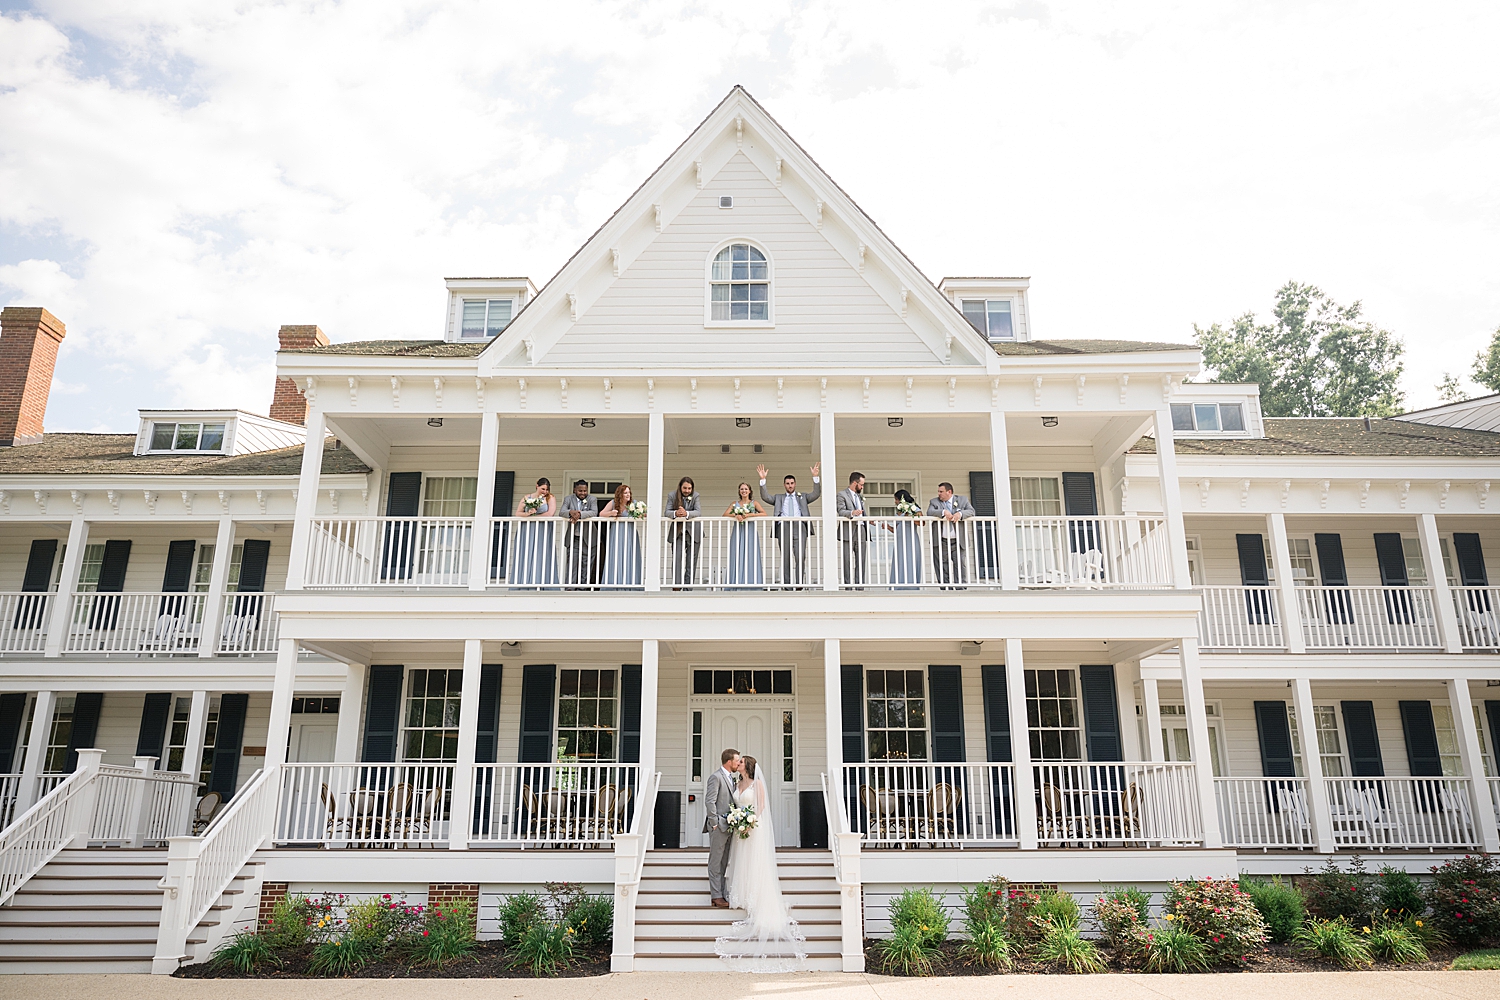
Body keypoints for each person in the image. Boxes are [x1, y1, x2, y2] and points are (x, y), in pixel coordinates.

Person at [715, 754, 807, 972]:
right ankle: (742, 894)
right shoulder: (738, 783)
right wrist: (738, 820)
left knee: (755, 862)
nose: (738, 764)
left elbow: (761, 806)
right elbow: (734, 803)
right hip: (741, 830)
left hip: (754, 829)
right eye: (737, 762)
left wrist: (749, 822)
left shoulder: (757, 784)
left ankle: (757, 896)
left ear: (747, 766)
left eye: (741, 762)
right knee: (742, 861)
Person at [758, 463, 820, 587]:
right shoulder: (779, 497)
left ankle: (799, 583)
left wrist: (815, 477)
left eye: (792, 483)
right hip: (783, 527)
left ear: (795, 484)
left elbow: (816, 494)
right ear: (784, 485)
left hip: (799, 526)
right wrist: (763, 480)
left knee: (800, 556)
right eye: (787, 483)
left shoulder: (802, 496)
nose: (790, 486)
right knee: (785, 556)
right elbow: (765, 497)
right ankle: (787, 585)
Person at [703, 748, 741, 908]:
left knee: (724, 861)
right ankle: (716, 896)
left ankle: (722, 894)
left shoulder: (732, 779)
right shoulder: (716, 777)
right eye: (737, 760)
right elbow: (709, 801)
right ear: (729, 761)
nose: (738, 763)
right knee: (715, 861)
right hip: (719, 826)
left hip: (729, 826)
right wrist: (714, 822)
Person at [927, 482, 975, 587]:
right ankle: (945, 588)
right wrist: (943, 512)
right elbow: (930, 512)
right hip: (941, 540)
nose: (939, 494)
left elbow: (971, 511)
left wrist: (960, 514)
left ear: (949, 492)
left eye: (941, 491)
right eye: (938, 491)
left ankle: (960, 587)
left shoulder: (962, 500)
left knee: (960, 564)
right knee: (942, 565)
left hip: (958, 540)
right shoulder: (934, 502)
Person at [511, 478, 558, 587]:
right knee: (526, 553)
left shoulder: (550, 498)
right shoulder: (527, 498)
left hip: (543, 529)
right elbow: (518, 513)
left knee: (541, 553)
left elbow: (550, 513)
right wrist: (528, 514)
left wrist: (535, 516)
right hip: (527, 529)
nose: (545, 491)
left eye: (547, 489)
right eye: (543, 489)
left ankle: (541, 583)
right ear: (537, 486)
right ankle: (524, 582)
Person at [724, 482, 767, 587]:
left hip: (750, 531)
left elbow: (764, 513)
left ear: (750, 491)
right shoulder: (735, 504)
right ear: (739, 491)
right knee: (736, 554)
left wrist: (749, 515)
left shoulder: (754, 503)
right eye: (742, 489)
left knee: (751, 555)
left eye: (746, 489)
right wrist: (736, 515)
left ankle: (751, 583)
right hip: (738, 531)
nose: (744, 491)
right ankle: (736, 582)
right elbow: (725, 514)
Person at [599, 484, 643, 587]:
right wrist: (611, 513)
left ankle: (630, 583)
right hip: (617, 532)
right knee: (616, 555)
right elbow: (601, 514)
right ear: (620, 494)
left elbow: (644, 514)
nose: (628, 495)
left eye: (629, 492)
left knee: (630, 555)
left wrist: (641, 513)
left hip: (630, 532)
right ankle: (615, 583)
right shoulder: (613, 503)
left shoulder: (634, 503)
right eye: (625, 493)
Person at [559, 479, 599, 587]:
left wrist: (579, 514)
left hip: (589, 537)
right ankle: (570, 587)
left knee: (586, 563)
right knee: (572, 562)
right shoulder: (568, 499)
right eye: (580, 491)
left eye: (585, 491)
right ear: (575, 490)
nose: (583, 493)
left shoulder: (592, 499)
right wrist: (570, 512)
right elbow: (562, 512)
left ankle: (583, 588)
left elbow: (594, 512)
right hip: (574, 537)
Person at [665, 476, 703, 586]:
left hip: (693, 532)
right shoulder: (672, 495)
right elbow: (667, 512)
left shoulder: (695, 495)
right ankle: (677, 586)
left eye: (689, 488)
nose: (687, 491)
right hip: (678, 532)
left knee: (691, 562)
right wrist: (675, 513)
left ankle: (688, 587)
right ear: (680, 487)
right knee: (677, 559)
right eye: (685, 488)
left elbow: (698, 512)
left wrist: (686, 513)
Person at [835, 471, 869, 587]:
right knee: (847, 561)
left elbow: (862, 512)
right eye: (861, 484)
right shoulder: (842, 494)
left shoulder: (859, 497)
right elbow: (840, 511)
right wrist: (852, 513)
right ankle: (848, 586)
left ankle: (860, 586)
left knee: (861, 560)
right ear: (855, 483)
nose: (862, 487)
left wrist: (869, 520)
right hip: (848, 531)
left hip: (861, 531)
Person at [889, 488, 923, 589]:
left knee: (910, 560)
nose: (895, 502)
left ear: (902, 499)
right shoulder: (899, 511)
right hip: (900, 541)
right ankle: (898, 586)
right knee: (899, 562)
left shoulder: (913, 508)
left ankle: (911, 587)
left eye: (896, 499)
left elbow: (921, 522)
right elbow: (897, 528)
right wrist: (888, 527)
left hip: (910, 540)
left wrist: (910, 513)